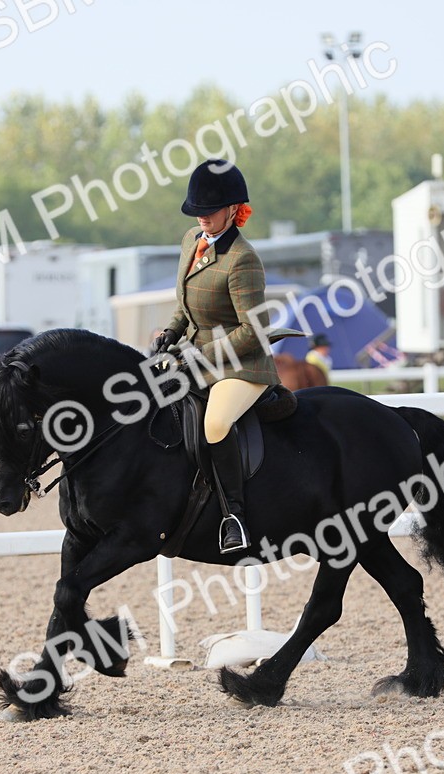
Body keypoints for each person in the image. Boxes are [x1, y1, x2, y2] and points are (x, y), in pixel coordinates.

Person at [151, 159, 279, 554]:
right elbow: (185, 304)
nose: (203, 218)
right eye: (198, 212)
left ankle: (233, 516)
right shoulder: (192, 240)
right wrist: (170, 332)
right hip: (194, 353)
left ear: (233, 209)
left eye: (210, 211)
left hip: (242, 364)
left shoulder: (242, 259)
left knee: (216, 424)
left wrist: (201, 355)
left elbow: (253, 329)